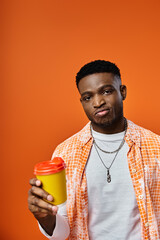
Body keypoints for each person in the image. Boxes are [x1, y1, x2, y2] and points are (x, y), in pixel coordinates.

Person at [28, 60, 160, 240]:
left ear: (122, 92)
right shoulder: (65, 153)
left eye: (106, 91)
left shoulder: (155, 147)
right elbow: (62, 233)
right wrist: (46, 218)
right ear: (82, 101)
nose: (98, 102)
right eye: (88, 97)